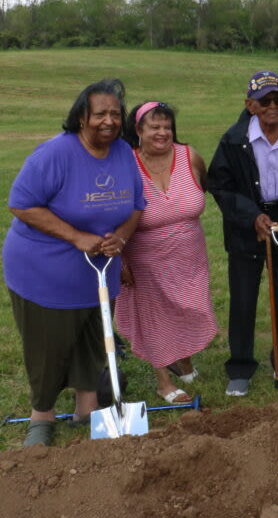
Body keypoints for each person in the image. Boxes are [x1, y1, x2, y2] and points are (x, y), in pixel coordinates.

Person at [3, 79, 145, 447]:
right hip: (45, 272)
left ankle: (88, 408)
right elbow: (21, 203)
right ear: (82, 117)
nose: (109, 121)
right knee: (48, 348)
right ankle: (42, 416)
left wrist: (123, 237)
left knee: (94, 342)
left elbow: (136, 207)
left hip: (99, 272)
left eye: (116, 114)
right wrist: (75, 236)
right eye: (100, 113)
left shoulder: (125, 153)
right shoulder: (55, 153)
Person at [208, 71, 278, 397]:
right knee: (243, 299)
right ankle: (240, 367)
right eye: (265, 101)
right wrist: (250, 217)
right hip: (247, 227)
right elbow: (221, 186)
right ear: (250, 105)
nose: (273, 106)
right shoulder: (233, 139)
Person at [116, 101, 217, 404]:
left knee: (187, 307)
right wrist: (120, 257)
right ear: (138, 130)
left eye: (167, 127)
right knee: (154, 317)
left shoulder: (192, 157)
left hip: (189, 256)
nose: (162, 133)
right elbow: (113, 214)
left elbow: (206, 189)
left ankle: (182, 359)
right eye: (154, 127)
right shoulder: (125, 165)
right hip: (144, 258)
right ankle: (163, 382)